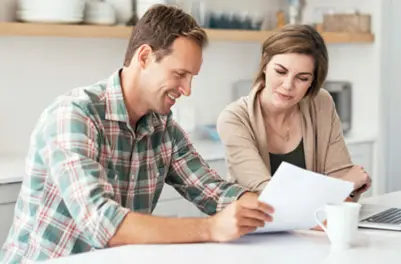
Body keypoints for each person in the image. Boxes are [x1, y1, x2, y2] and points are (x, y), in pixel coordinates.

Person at [0, 5, 274, 263]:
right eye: (179, 74)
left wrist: (270, 210)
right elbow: (102, 223)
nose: (187, 89)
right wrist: (210, 228)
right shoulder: (74, 115)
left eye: (192, 77)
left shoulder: (163, 128)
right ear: (144, 57)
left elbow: (215, 191)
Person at [216, 24, 372, 204]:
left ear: (313, 82)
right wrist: (340, 185)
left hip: (314, 228)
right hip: (257, 230)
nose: (288, 85)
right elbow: (267, 196)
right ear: (265, 65)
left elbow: (344, 186)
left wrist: (343, 186)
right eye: (280, 71)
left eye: (302, 78)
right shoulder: (234, 118)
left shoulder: (321, 103)